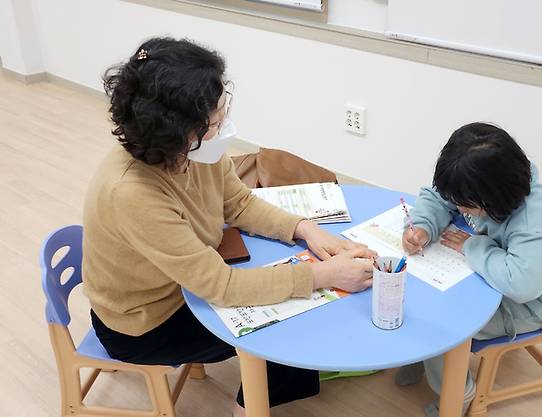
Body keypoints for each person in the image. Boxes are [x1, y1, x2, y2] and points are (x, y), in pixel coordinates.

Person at [82, 37, 375, 417]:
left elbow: (238, 203)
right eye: (216, 120)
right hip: (145, 323)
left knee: (288, 291)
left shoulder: (195, 149)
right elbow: (221, 287)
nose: (224, 126)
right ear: (178, 130)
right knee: (285, 323)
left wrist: (306, 229)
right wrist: (323, 274)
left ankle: (276, 384)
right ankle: (249, 408)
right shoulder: (131, 193)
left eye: (223, 110)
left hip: (183, 283)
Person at [396, 122, 542, 417]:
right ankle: (423, 357)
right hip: (490, 274)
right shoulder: (479, 184)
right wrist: (423, 226)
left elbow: (524, 285)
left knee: (441, 323)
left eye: (467, 206)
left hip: (528, 303)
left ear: (494, 198)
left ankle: (457, 391)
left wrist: (473, 247)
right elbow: (436, 197)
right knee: (413, 291)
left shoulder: (534, 221)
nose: (460, 209)